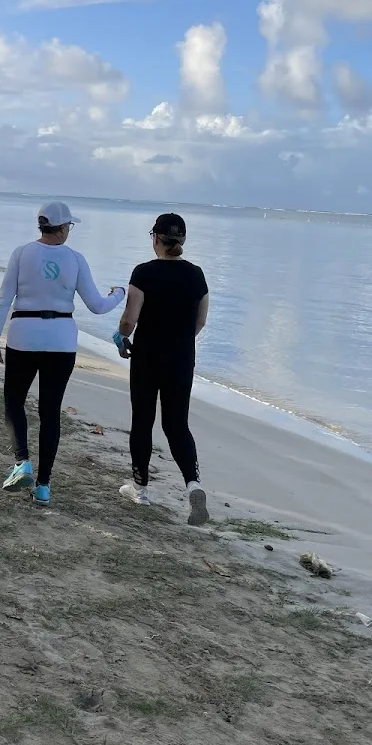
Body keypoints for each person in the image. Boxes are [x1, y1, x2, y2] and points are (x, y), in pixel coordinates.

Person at [0, 201, 125, 506]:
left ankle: (22, 460)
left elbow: (2, 301)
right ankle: (44, 486)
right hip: (61, 341)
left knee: (14, 400)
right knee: (50, 412)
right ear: (62, 228)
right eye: (69, 227)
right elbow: (97, 306)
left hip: (24, 335)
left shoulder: (22, 253)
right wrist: (120, 294)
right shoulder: (75, 259)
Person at [115, 213, 210, 526]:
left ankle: (140, 489)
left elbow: (129, 319)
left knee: (142, 420)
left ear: (155, 238)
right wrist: (179, 341)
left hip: (147, 356)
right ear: (182, 241)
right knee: (177, 424)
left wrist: (121, 336)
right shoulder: (197, 275)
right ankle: (193, 484)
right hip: (182, 358)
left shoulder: (144, 273)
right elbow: (200, 322)